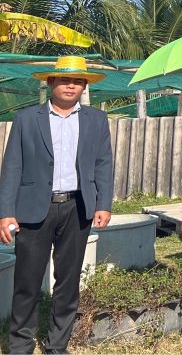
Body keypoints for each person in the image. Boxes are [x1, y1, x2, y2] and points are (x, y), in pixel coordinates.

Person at [0, 56, 113, 354]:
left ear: (84, 86)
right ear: (51, 82)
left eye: (77, 81)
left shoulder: (96, 120)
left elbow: (103, 164)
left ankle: (57, 345)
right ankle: (20, 345)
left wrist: (103, 203)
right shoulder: (26, 119)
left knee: (68, 281)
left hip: (78, 208)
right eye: (64, 80)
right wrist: (6, 212)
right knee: (27, 281)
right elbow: (11, 167)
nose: (70, 86)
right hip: (34, 210)